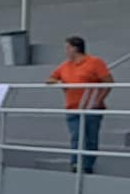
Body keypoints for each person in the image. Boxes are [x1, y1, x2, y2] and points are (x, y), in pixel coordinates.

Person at [47, 36, 112, 175]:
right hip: (73, 107)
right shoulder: (65, 65)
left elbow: (108, 82)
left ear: (75, 48)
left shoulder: (95, 62)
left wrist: (98, 100)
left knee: (91, 138)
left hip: (92, 107)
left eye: (67, 47)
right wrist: (58, 82)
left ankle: (87, 165)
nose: (65, 51)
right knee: (76, 136)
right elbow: (50, 78)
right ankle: (76, 164)